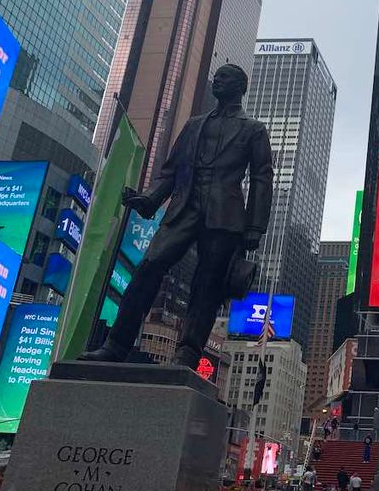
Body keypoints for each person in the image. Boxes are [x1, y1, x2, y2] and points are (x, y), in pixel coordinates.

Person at [80, 65, 273, 368]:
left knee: (207, 284)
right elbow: (171, 171)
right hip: (184, 208)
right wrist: (149, 200)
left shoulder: (253, 129)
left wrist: (255, 227)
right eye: (217, 77)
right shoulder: (194, 125)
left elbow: (262, 178)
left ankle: (188, 352)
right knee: (149, 266)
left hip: (225, 215)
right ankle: (116, 345)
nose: (217, 81)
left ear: (240, 87)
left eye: (225, 78)